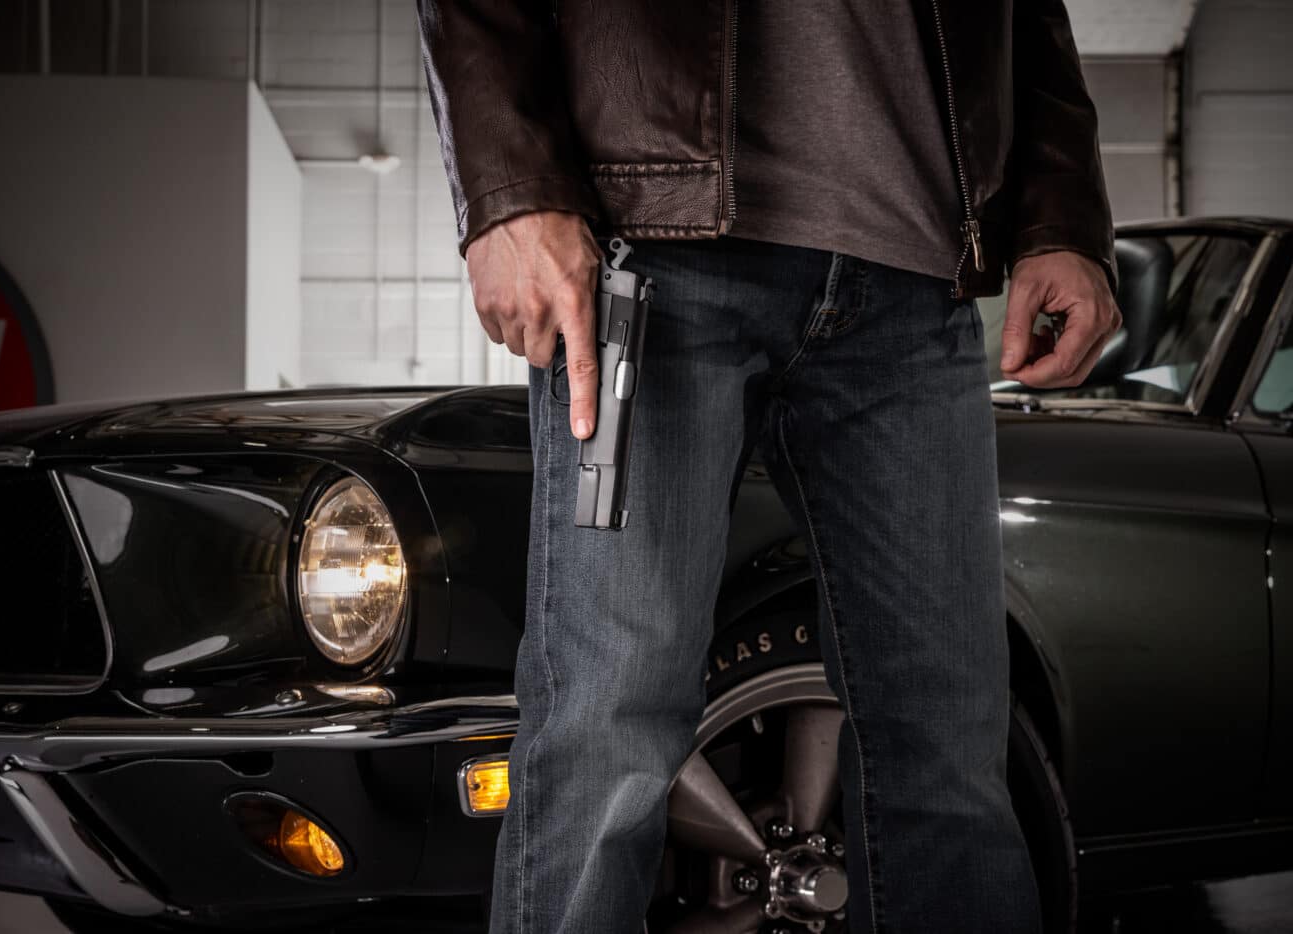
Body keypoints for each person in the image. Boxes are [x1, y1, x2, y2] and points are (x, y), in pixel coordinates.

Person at [416, 2, 1120, 932]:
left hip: (916, 280)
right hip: (659, 261)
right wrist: (509, 187)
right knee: (608, 730)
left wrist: (1061, 217)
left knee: (949, 746)